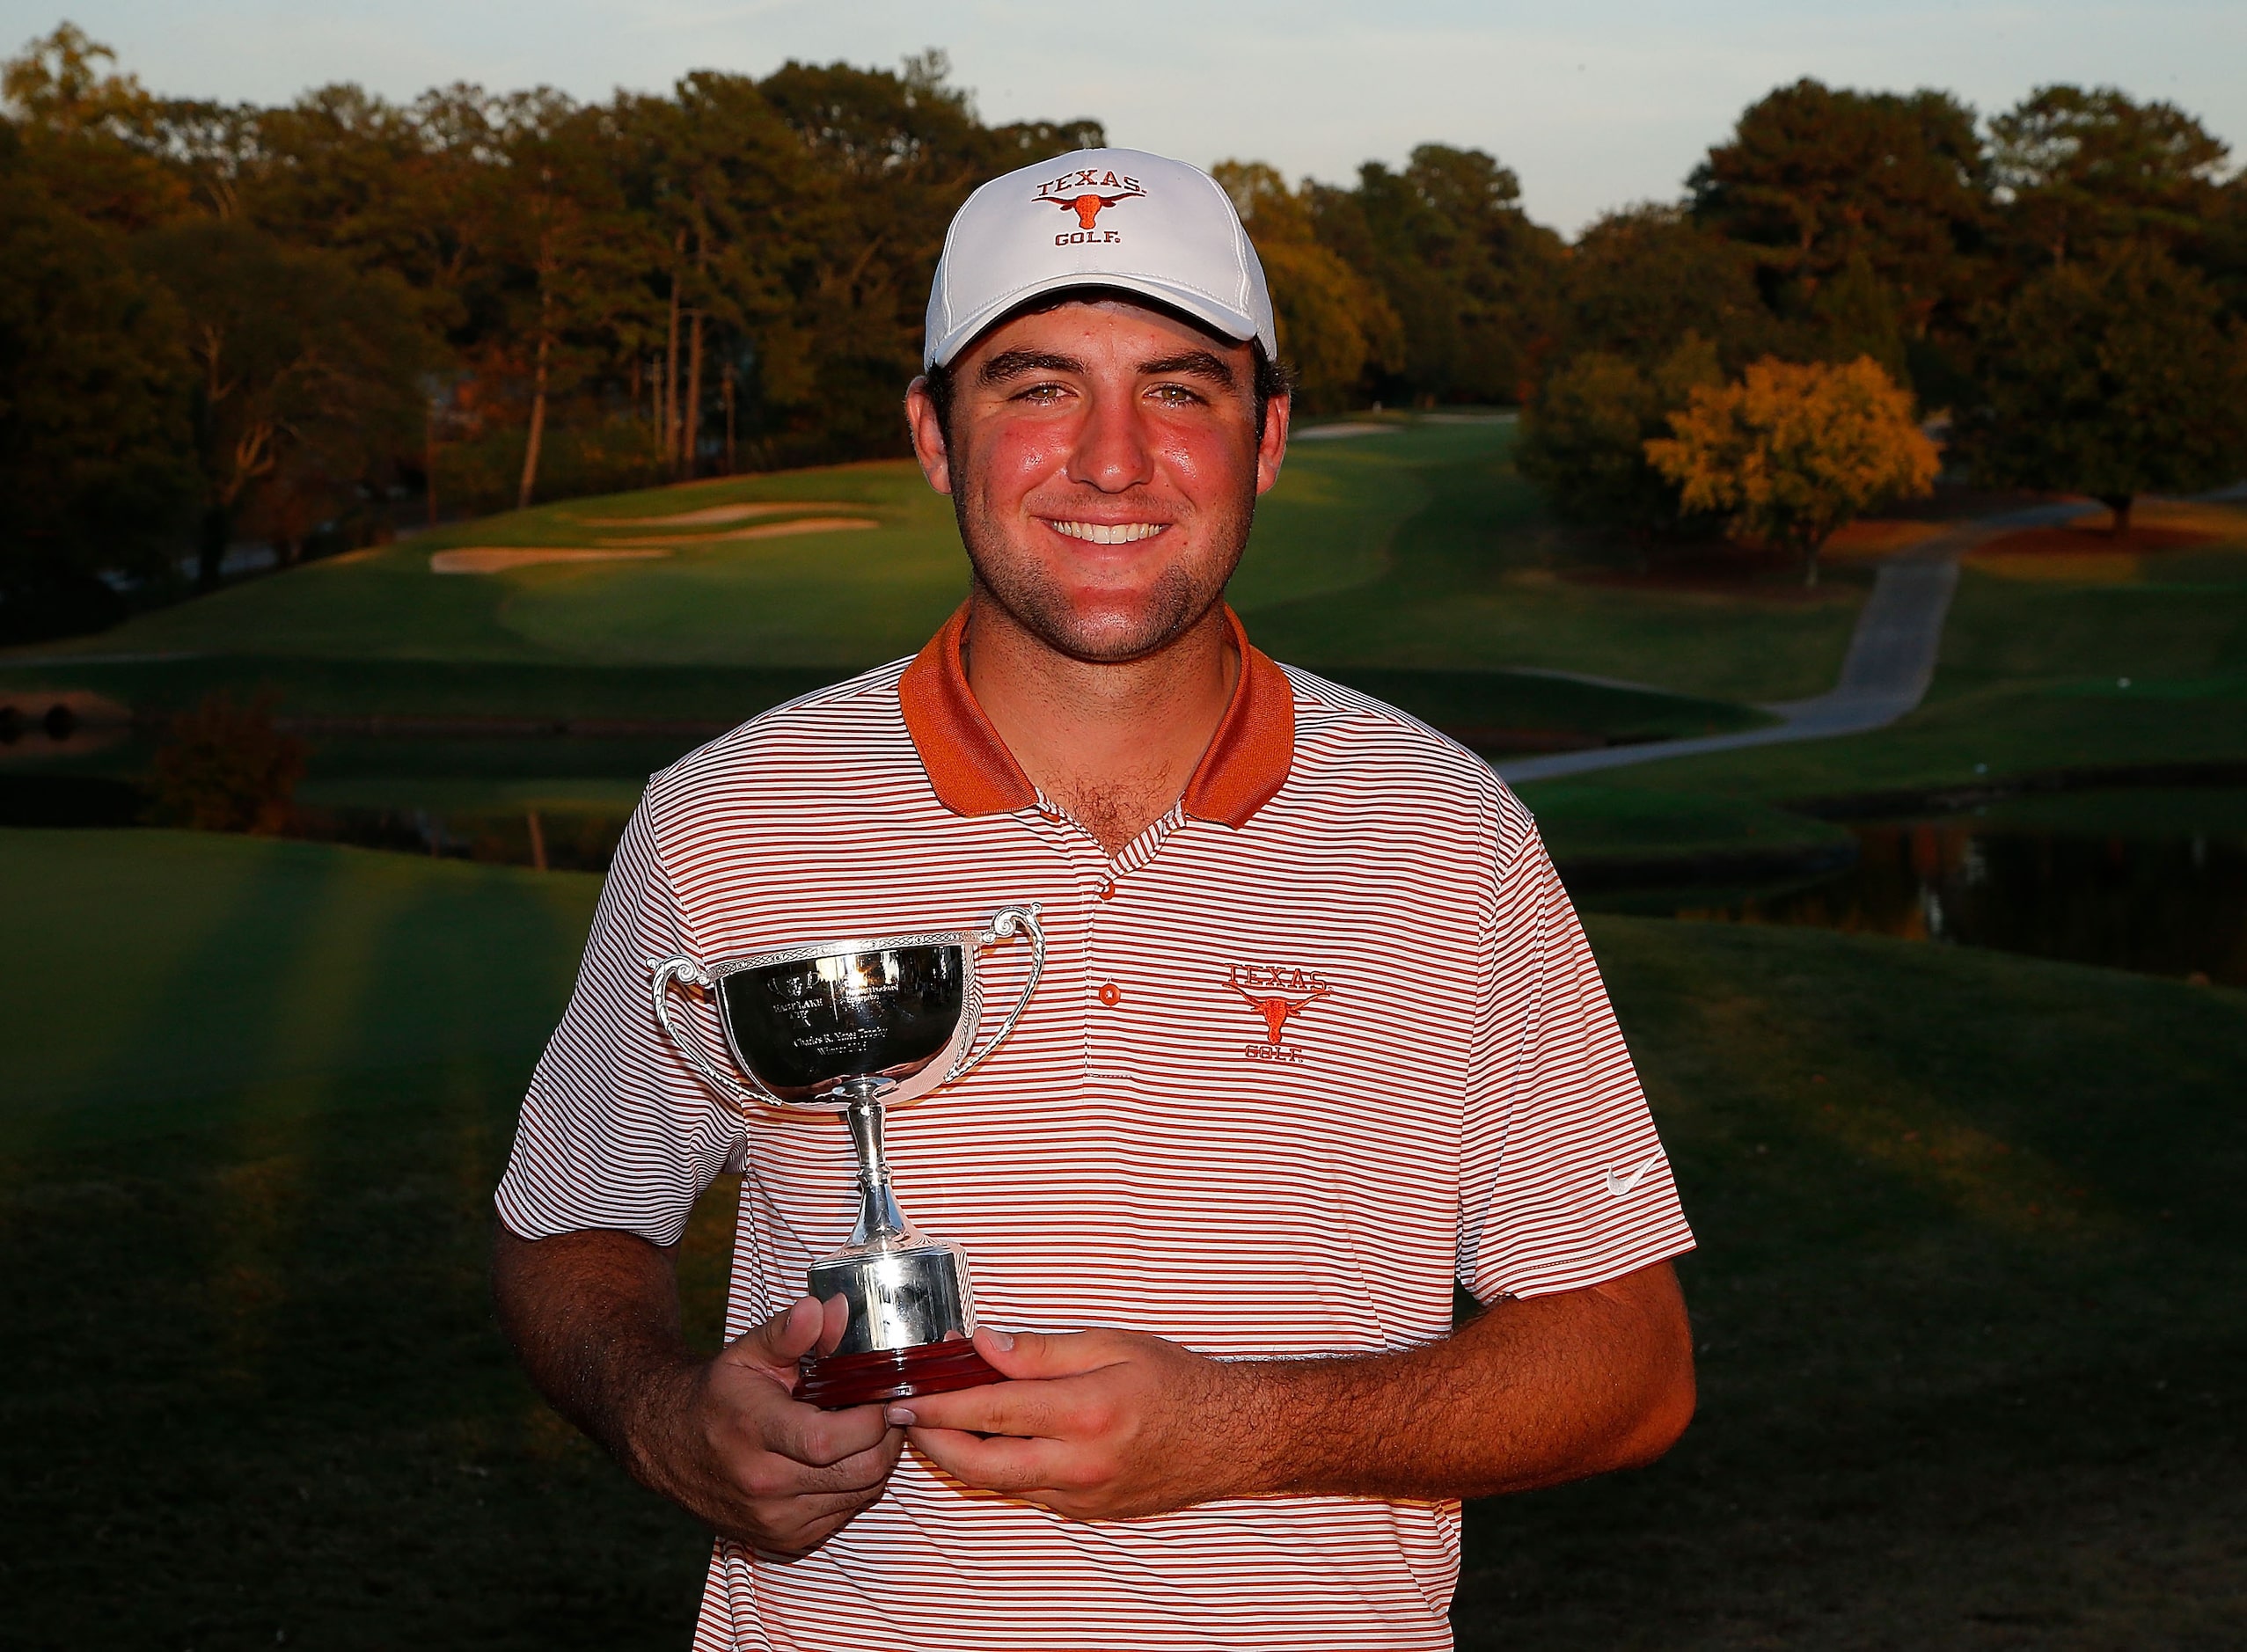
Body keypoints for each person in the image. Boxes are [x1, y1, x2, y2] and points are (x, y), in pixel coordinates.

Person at [493, 147, 1695, 1652]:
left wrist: (1245, 1433)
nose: (1112, 459)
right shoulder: (727, 816)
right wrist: (664, 1415)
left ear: (1264, 439)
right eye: (1038, 384)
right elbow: (567, 1228)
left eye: (1180, 388)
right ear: (937, 436)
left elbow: (1629, 1361)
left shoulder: (1447, 831)